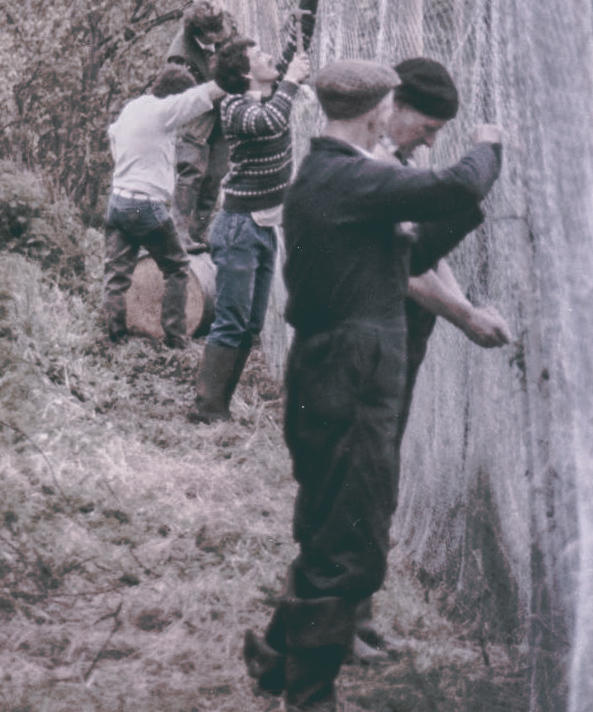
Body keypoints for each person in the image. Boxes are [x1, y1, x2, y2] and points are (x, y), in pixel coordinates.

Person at [241, 59, 504, 712]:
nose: (396, 118)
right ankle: (307, 699)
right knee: (350, 541)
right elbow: (454, 188)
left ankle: (278, 659)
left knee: (334, 524)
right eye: (393, 105)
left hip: (343, 370)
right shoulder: (345, 176)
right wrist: (490, 146)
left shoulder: (340, 181)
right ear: (374, 110)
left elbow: (407, 255)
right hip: (350, 376)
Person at [349, 57, 513, 661]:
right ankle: (335, 624)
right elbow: (403, 271)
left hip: (401, 341)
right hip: (372, 343)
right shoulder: (366, 171)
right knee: (360, 481)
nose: (432, 138)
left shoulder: (398, 164)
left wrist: (466, 304)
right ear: (393, 105)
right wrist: (466, 317)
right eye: (430, 125)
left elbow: (420, 255)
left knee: (377, 477)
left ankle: (356, 616)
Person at [186, 39, 312, 424]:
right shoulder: (235, 107)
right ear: (244, 73)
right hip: (239, 229)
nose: (270, 58)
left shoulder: (270, 92)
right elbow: (270, 121)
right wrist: (291, 80)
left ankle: (218, 405)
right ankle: (207, 408)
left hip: (262, 228)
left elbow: (295, 42)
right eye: (260, 56)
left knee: (251, 323)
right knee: (231, 321)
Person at [166, 0, 318, 253]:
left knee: (215, 173)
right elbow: (181, 97)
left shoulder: (225, 27)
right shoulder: (179, 53)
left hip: (227, 99)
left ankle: (197, 233)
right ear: (199, 33)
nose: (221, 36)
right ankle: (178, 234)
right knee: (191, 171)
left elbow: (252, 58)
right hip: (197, 113)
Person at [102, 65, 226, 348]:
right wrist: (232, 78)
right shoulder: (163, 111)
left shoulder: (133, 108)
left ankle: (115, 335)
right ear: (174, 98)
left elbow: (112, 132)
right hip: (146, 206)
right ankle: (175, 336)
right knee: (177, 267)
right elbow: (200, 97)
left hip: (119, 201)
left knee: (116, 273)